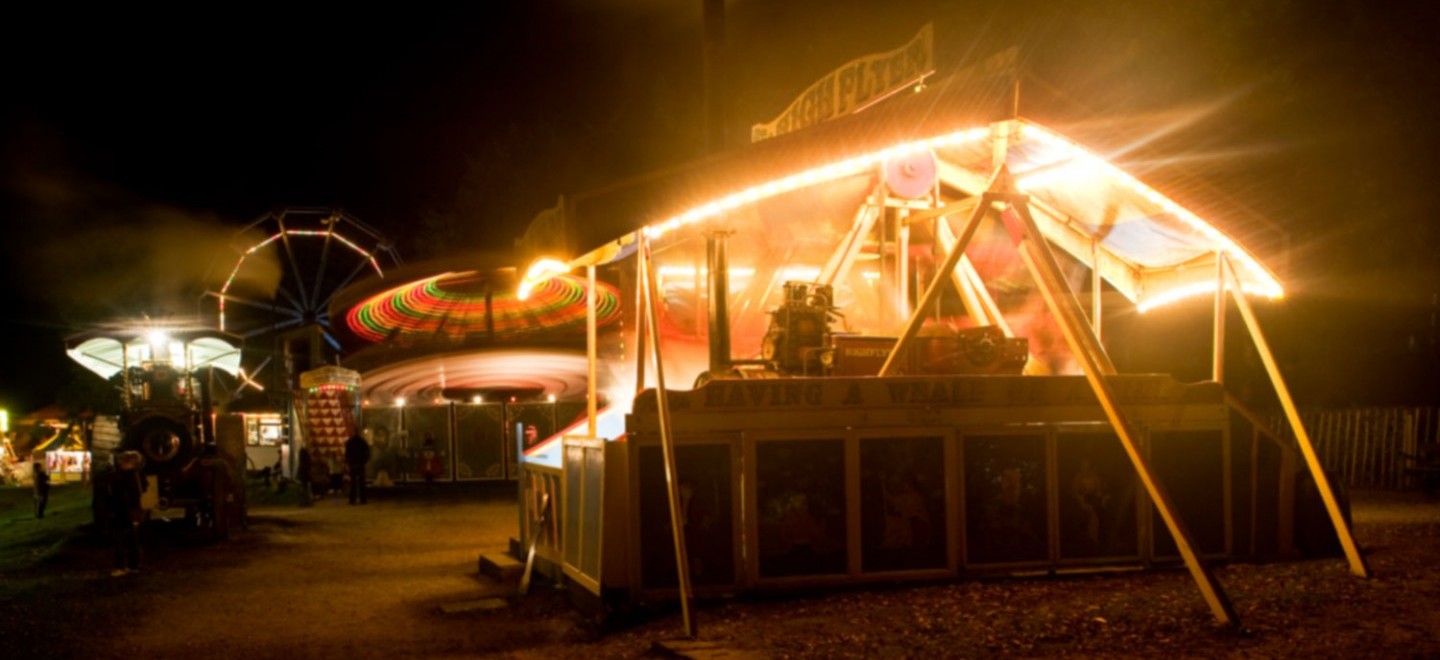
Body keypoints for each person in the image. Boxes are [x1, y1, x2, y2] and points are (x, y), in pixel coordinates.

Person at [109, 451, 146, 576]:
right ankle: (133, 565)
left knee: (120, 539)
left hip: (124, 510)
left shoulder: (125, 477)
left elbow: (129, 495)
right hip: (128, 510)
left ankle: (121, 566)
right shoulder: (135, 476)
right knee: (132, 539)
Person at [344, 432, 371, 505]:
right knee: (361, 482)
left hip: (353, 464)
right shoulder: (362, 442)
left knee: (353, 483)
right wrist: (364, 461)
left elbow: (347, 454)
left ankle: (352, 500)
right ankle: (363, 499)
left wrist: (349, 462)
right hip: (360, 464)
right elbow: (367, 453)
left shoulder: (350, 443)